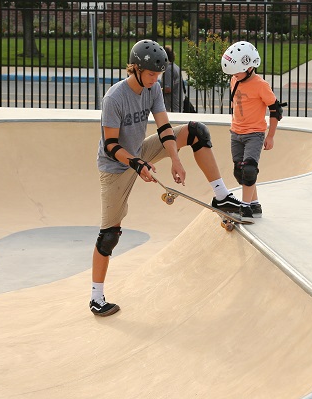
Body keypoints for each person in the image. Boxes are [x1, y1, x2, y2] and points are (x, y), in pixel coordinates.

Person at [91, 39, 244, 316]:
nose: (154, 80)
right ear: (135, 69)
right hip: (115, 167)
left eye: (158, 75)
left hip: (140, 151)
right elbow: (111, 146)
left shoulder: (154, 88)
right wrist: (138, 164)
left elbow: (164, 127)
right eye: (150, 74)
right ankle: (96, 297)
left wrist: (175, 158)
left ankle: (221, 196)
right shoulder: (114, 98)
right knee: (109, 236)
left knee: (197, 130)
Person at [221, 41, 283, 219]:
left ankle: (245, 207)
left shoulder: (260, 85)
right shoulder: (235, 79)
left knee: (249, 169)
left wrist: (270, 136)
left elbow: (275, 109)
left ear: (249, 67)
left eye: (237, 71)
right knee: (239, 171)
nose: (234, 75)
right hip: (236, 133)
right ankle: (255, 205)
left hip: (254, 134)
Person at [160, 45, 186, 112]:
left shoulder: (168, 70)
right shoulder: (176, 67)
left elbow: (168, 89)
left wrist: (156, 90)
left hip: (170, 108)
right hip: (177, 105)